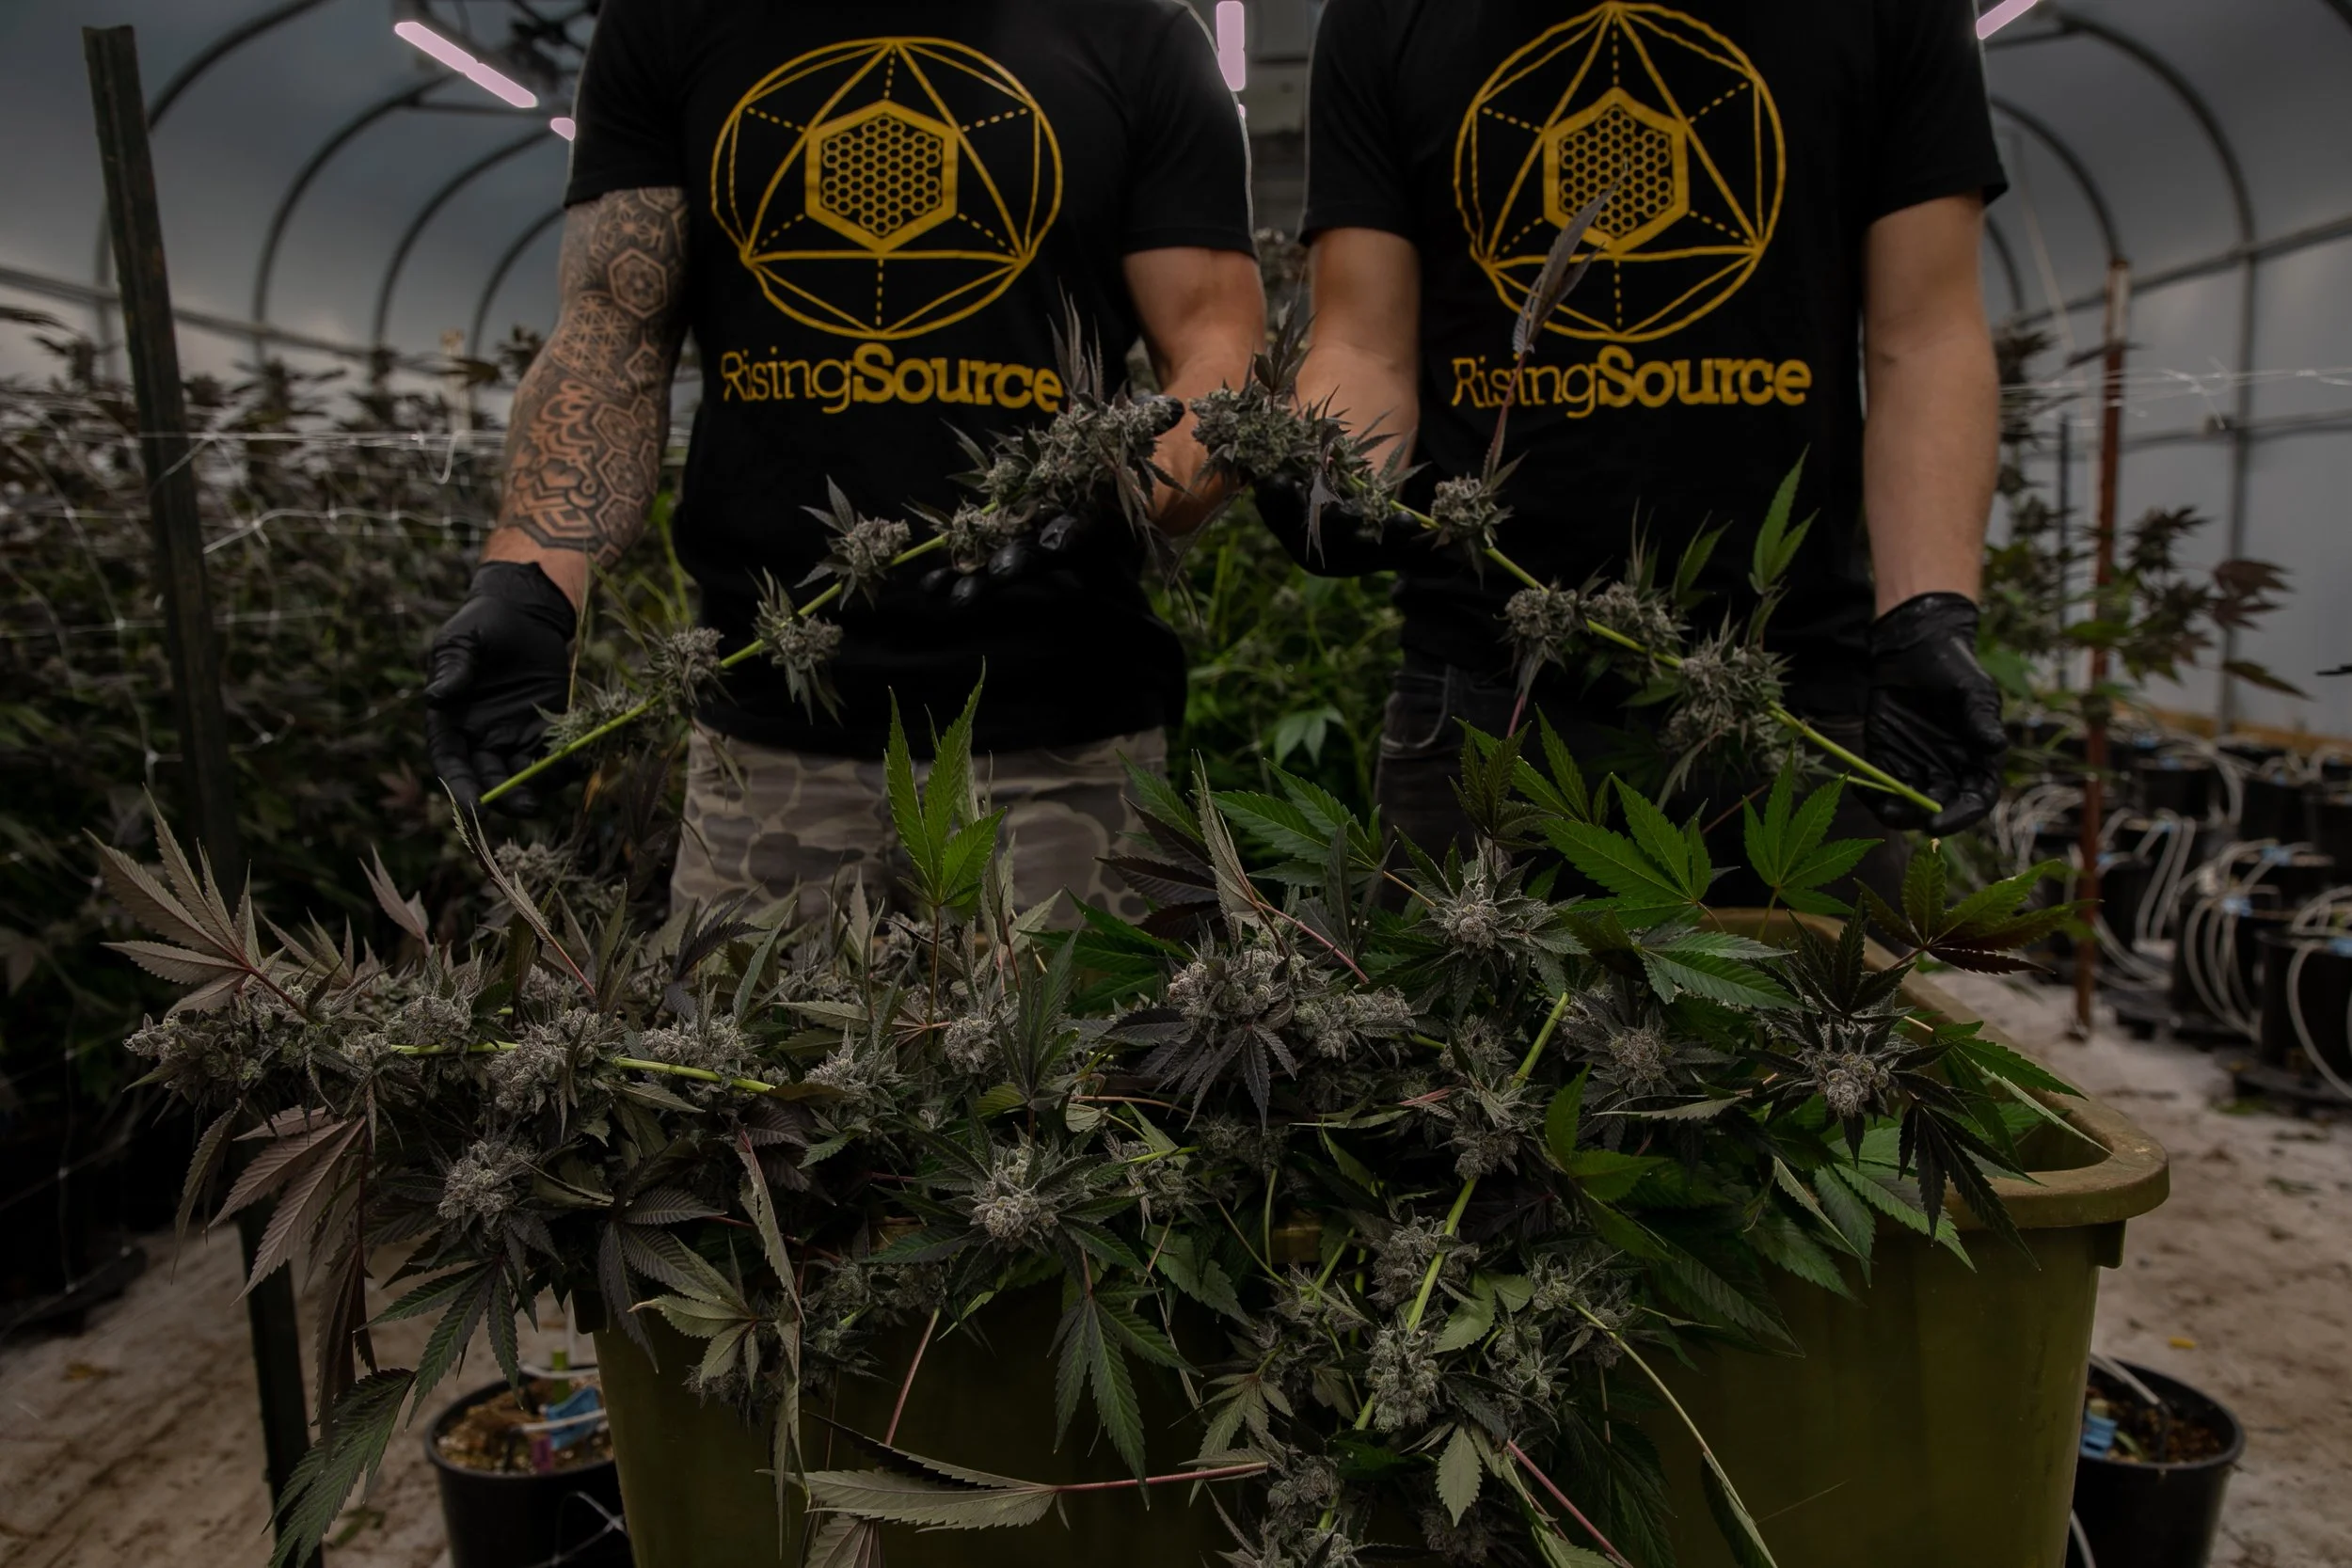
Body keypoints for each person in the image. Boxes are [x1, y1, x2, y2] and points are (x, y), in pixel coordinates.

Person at [423, 0, 1263, 923]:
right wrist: (531, 575)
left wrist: (1151, 478)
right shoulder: (670, 22)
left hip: (1063, 736)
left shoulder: (1134, 30)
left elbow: (1214, 335)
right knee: (757, 1061)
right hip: (769, 741)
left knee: (1076, 1068)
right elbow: (614, 328)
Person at [1271, 0, 2010, 861]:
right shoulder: (1381, 16)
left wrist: (1927, 612)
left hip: (1792, 702)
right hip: (1487, 699)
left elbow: (1924, 336)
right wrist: (1331, 462)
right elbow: (1363, 341)